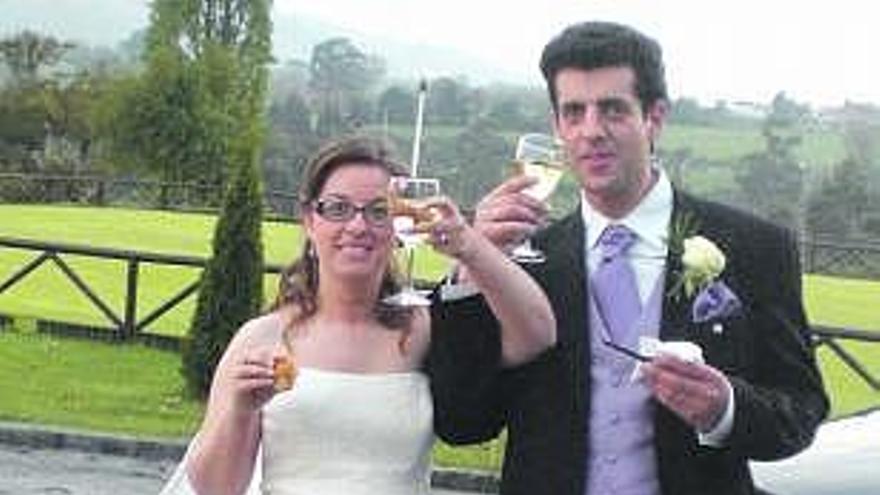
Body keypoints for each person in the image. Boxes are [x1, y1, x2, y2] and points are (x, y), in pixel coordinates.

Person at [429, 21, 829, 495]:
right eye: (573, 112)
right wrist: (471, 268)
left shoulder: (754, 247)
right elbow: (463, 422)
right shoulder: (521, 260)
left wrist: (724, 408)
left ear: (654, 117)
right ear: (557, 125)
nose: (591, 131)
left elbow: (800, 409)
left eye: (613, 110)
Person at [159, 135, 555, 495]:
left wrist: (471, 244)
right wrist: (241, 411)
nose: (358, 225)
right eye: (337, 208)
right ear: (309, 221)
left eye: (379, 211)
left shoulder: (424, 330)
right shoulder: (262, 338)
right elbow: (215, 489)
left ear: (400, 223)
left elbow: (537, 333)